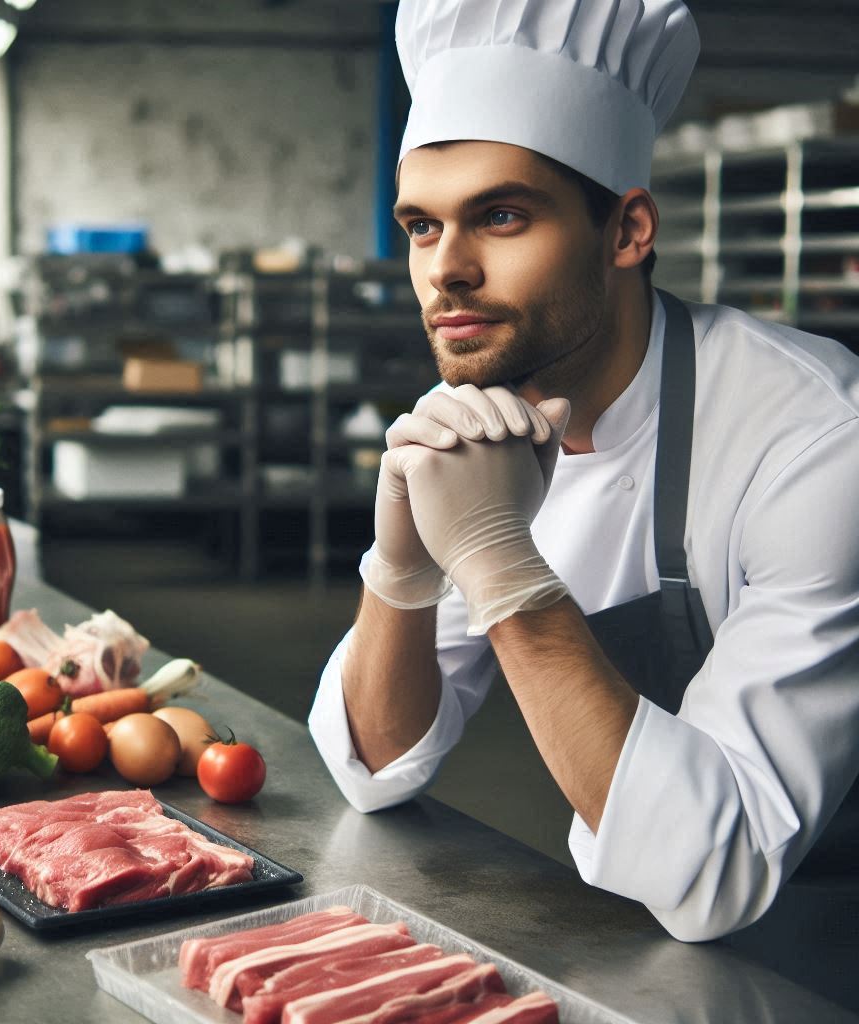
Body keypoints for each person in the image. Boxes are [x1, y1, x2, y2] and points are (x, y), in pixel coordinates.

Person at [308, 0, 859, 943]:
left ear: (627, 230)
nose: (448, 272)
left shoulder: (813, 438)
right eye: (423, 227)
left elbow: (722, 869)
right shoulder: (491, 417)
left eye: (503, 216)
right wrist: (399, 572)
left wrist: (498, 565)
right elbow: (376, 762)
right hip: (661, 934)